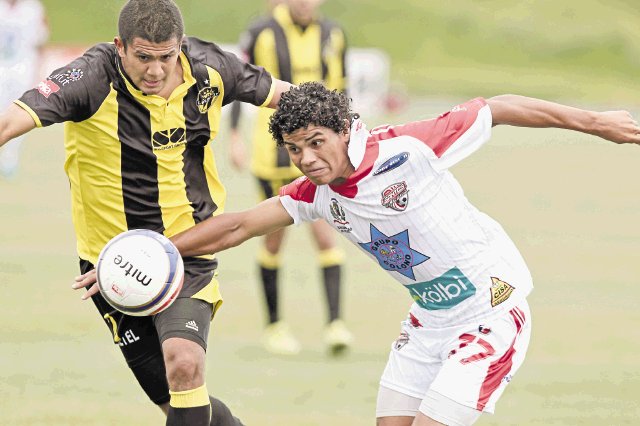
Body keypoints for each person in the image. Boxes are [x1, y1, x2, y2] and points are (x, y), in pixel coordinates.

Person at [77, 82, 640, 424]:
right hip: (428, 322)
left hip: (493, 311)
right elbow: (238, 226)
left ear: (346, 131)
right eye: (294, 149)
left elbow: (497, 106)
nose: (306, 158)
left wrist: (592, 122)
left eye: (317, 143)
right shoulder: (316, 194)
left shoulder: (409, 147)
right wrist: (151, 249)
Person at [0, 0, 293, 425]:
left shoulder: (208, 68)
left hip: (187, 249)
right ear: (120, 47)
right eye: (143, 58)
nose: (155, 70)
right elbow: (10, 122)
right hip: (112, 265)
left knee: (184, 363)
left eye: (166, 57)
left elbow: (282, 95)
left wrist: (347, 123)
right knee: (175, 401)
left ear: (180, 46)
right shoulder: (91, 77)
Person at [228, 0, 352, 356]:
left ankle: (335, 325)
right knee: (273, 240)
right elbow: (239, 83)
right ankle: (275, 326)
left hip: (323, 157)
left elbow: (342, 91)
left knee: (327, 233)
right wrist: (234, 136)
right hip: (273, 156)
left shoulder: (334, 34)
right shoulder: (261, 31)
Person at [0, 0, 49, 178]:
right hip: (1, 65)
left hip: (24, 66)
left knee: (21, 112)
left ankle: (10, 157)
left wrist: (40, 70)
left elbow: (41, 39)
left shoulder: (33, 8)